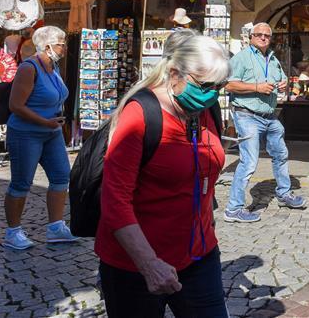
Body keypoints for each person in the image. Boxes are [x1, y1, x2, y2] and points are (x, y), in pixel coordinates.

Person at [95, 33, 230, 317]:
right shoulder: (140, 114)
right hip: (136, 266)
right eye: (205, 86)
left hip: (199, 255)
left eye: (219, 87)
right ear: (174, 74)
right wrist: (149, 264)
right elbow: (115, 201)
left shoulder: (206, 108)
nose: (212, 95)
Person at [3, 26, 77, 250]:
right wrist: (45, 122)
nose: (65, 48)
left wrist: (52, 123)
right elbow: (15, 105)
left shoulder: (53, 66)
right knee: (21, 182)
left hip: (51, 132)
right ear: (47, 46)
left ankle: (55, 227)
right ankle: (13, 232)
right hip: (26, 133)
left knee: (61, 176)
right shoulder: (29, 68)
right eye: (61, 44)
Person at [223, 22, 304, 223]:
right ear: (251, 36)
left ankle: (284, 194)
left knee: (281, 154)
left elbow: (282, 79)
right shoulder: (242, 57)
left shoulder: (272, 59)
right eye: (259, 34)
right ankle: (233, 209)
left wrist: (284, 83)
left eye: (267, 35)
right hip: (247, 115)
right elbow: (228, 84)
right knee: (249, 161)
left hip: (269, 116)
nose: (263, 38)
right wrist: (256, 87)